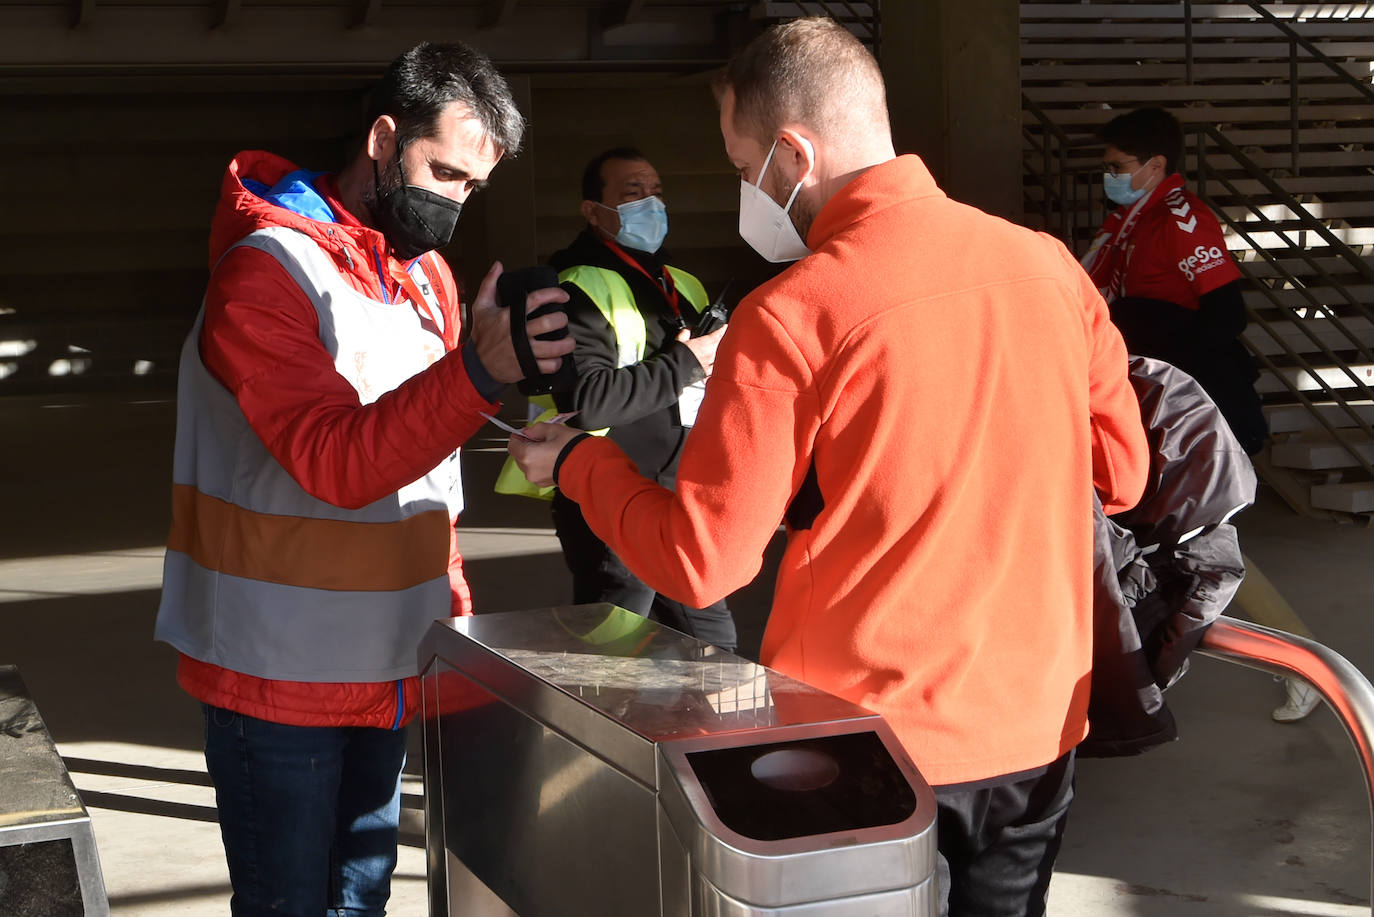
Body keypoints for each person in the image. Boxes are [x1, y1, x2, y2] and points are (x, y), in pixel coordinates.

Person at [509, 17, 1150, 916]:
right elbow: (1124, 474)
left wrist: (579, 462)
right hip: (1038, 720)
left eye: (743, 167)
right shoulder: (1047, 267)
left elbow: (705, 560)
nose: (745, 189)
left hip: (866, 737)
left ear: (793, 152)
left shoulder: (792, 314)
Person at [153, 42, 574, 916]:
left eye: (472, 189)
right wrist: (480, 373)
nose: (454, 203)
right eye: (445, 173)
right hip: (276, 673)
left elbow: (433, 478)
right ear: (386, 136)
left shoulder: (427, 278)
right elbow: (336, 459)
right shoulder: (265, 275)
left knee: (365, 897)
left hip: (388, 662)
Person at [498, 147, 737, 650]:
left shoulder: (682, 284)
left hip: (682, 494)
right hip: (608, 499)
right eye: (633, 194)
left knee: (716, 653)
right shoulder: (573, 287)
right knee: (610, 654)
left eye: (656, 193)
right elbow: (590, 401)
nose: (650, 204)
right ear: (593, 210)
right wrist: (690, 360)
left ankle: (719, 731)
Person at [1082, 106, 1268, 455]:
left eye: (1117, 167)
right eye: (1107, 168)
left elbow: (1226, 314)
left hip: (1175, 389)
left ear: (1156, 166)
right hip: (1143, 377)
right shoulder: (1128, 222)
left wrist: (1177, 385)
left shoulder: (1182, 219)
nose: (1109, 176)